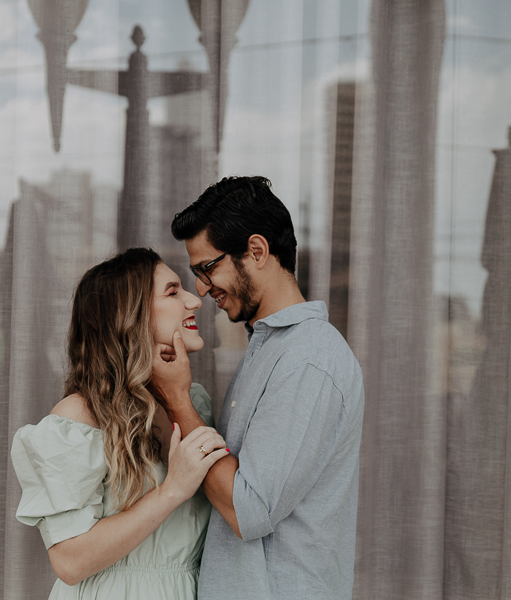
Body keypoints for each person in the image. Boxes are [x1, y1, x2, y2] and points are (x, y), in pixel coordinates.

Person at [150, 176, 365, 599]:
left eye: (207, 268)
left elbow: (247, 509)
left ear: (257, 251)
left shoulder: (309, 360)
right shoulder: (270, 346)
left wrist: (177, 397)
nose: (202, 288)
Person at [11, 248, 229, 599]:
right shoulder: (76, 419)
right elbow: (69, 562)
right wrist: (171, 490)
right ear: (130, 316)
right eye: (173, 292)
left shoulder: (193, 401)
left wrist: (178, 399)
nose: (194, 301)